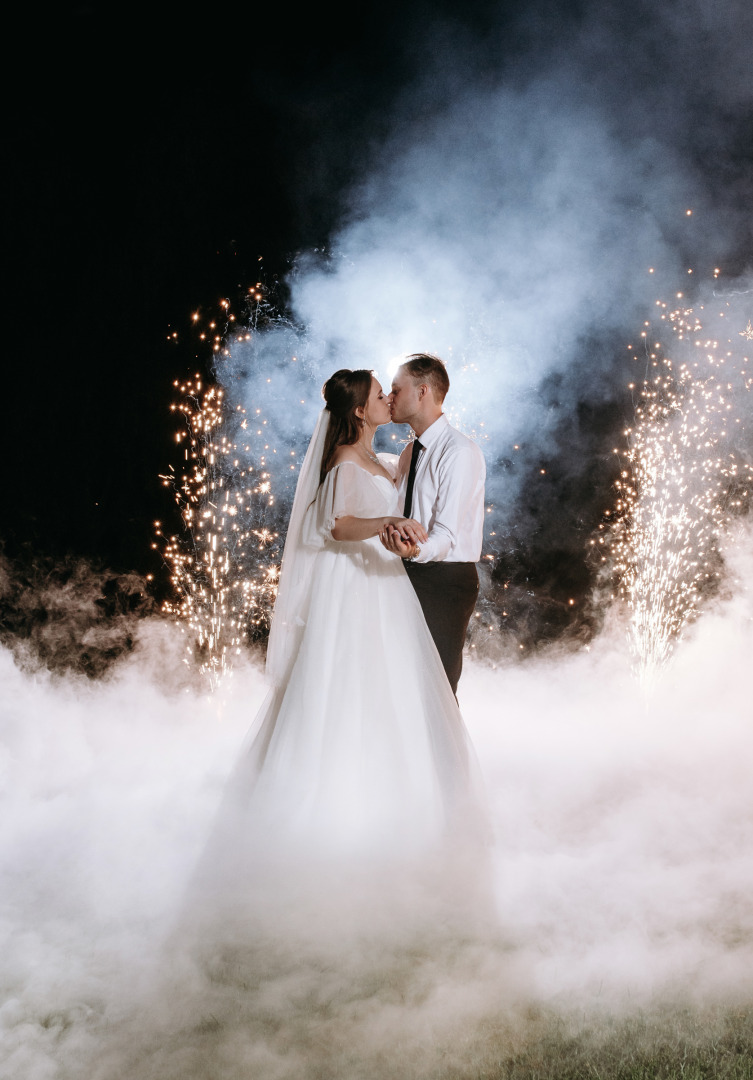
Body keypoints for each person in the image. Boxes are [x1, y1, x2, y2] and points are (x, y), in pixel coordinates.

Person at [208, 368, 483, 875]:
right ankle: (347, 811)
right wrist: (388, 523)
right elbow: (337, 524)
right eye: (381, 393)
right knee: (357, 685)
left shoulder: (398, 457)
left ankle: (421, 807)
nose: (388, 397)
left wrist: (403, 529)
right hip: (364, 584)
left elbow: (426, 509)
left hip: (398, 582)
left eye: (393, 390)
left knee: (403, 687)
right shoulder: (346, 461)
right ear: (360, 410)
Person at [381, 354, 486, 696]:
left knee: (435, 692)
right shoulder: (411, 451)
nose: (390, 397)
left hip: (444, 580)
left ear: (423, 391)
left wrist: (413, 549)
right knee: (399, 685)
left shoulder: (459, 451)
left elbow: (447, 535)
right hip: (405, 572)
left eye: (396, 390)